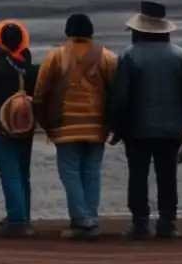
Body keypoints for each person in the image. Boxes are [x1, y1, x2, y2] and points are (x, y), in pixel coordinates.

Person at [109, 1, 182, 239]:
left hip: (137, 130)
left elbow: (121, 97)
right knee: (167, 176)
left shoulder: (129, 56)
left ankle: (140, 223)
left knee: (138, 176)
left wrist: (118, 128)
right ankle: (167, 222)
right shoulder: (181, 57)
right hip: (170, 128)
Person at [33, 13, 118, 240]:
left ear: (68, 32)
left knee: (69, 172)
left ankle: (82, 219)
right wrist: (112, 124)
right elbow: (117, 93)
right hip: (96, 127)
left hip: (65, 126)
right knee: (92, 172)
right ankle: (89, 217)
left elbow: (40, 93)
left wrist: (45, 123)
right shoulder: (107, 57)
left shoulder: (56, 57)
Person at [0, 20, 38, 236]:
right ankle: (22, 216)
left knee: (9, 173)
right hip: (25, 127)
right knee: (22, 174)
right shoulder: (31, 70)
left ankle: (17, 220)